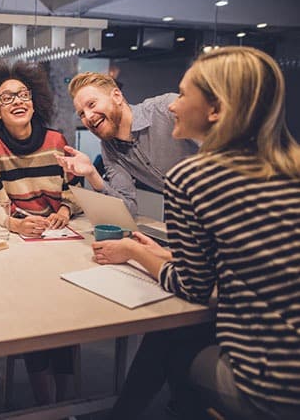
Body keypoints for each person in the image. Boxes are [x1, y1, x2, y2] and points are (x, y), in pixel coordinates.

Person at [92, 46, 300, 419]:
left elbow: (194, 287)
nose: (173, 105)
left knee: (174, 339)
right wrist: (167, 253)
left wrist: (136, 253)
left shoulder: (194, 178)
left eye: (184, 94)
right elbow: (252, 254)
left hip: (275, 384)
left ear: (216, 109)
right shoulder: (290, 167)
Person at [0, 59, 82, 405]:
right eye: (7, 98)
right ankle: (47, 406)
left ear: (34, 102)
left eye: (23, 94)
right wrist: (15, 224)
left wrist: (64, 208)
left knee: (66, 320)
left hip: (59, 246)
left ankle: (64, 406)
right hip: (18, 253)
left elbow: (75, 192)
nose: (18, 101)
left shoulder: (56, 141)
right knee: (38, 320)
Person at [56, 72, 199, 215]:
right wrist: (92, 174)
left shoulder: (166, 109)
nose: (88, 116)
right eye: (81, 113)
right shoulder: (109, 149)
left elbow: (219, 143)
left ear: (117, 96)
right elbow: (127, 208)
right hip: (188, 215)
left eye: (92, 104)